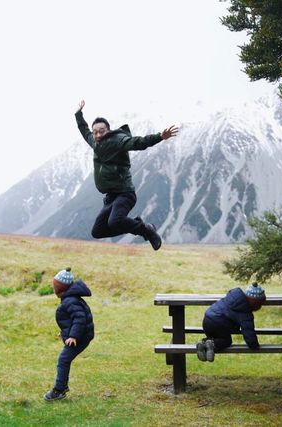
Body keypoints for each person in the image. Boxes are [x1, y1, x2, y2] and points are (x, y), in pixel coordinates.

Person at [75, 100, 179, 250]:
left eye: (101, 131)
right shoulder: (94, 142)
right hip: (110, 198)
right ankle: (138, 224)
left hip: (125, 194)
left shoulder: (118, 140)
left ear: (108, 131)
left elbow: (138, 142)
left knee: (114, 222)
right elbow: (84, 130)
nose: (97, 135)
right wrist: (78, 114)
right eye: (95, 132)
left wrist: (159, 137)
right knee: (97, 231)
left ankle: (147, 230)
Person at [44, 268, 95, 401]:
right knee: (64, 360)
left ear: (61, 288)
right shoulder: (70, 298)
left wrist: (73, 336)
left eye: (55, 286)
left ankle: (59, 390)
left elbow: (79, 319)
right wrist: (65, 332)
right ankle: (61, 388)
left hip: (80, 338)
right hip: (81, 335)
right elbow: (72, 319)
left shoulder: (70, 301)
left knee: (63, 360)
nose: (54, 289)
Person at [196, 282, 266, 362]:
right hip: (219, 323)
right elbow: (248, 331)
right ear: (255, 303)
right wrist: (254, 346)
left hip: (207, 319)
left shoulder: (234, 297)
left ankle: (204, 343)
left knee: (217, 338)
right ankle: (212, 344)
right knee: (226, 341)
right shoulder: (245, 312)